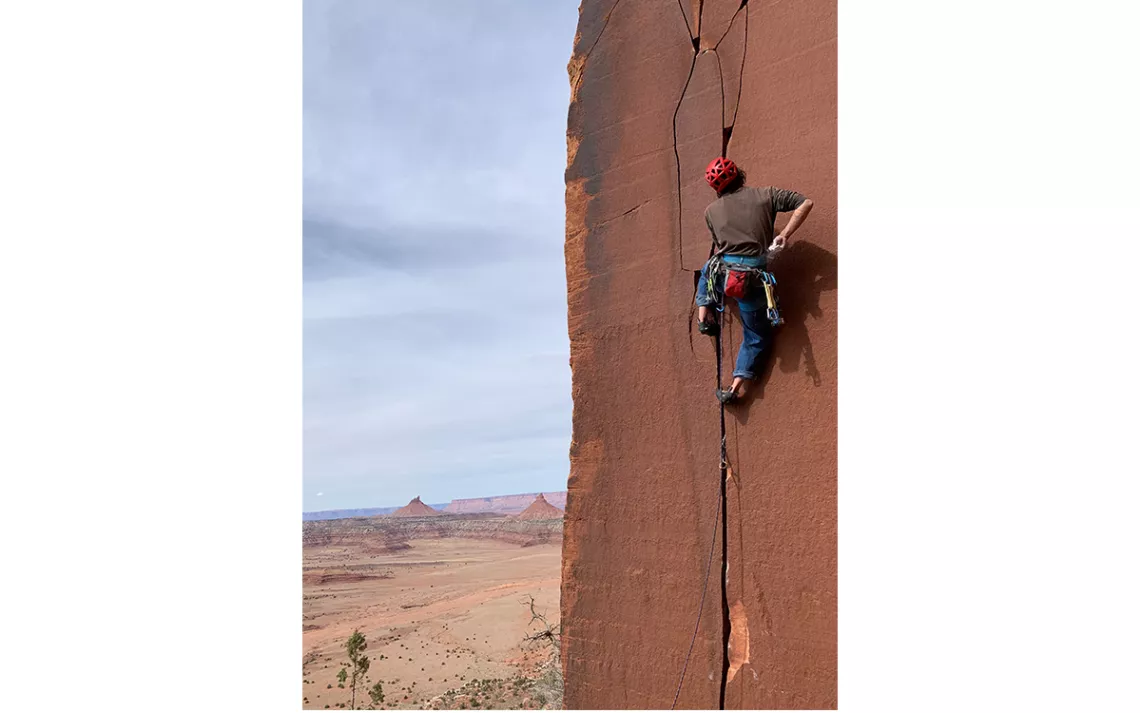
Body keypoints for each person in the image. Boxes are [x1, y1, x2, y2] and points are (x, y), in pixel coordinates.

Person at [696, 156, 813, 404]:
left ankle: (704, 314)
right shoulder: (766, 195)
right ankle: (736, 386)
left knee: (709, 267)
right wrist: (784, 234)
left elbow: (719, 244)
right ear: (739, 174)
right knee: (756, 336)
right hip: (750, 285)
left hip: (723, 275)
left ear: (715, 188)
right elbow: (805, 203)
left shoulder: (710, 212)